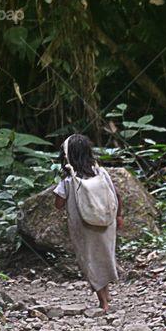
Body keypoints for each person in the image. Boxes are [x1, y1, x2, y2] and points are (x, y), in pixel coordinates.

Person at [53, 134, 123, 313]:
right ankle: (107, 294)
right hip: (106, 221)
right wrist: (119, 216)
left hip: (84, 227)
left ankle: (103, 303)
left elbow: (58, 205)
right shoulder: (102, 173)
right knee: (106, 256)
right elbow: (117, 194)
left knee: (90, 261)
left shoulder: (68, 181)